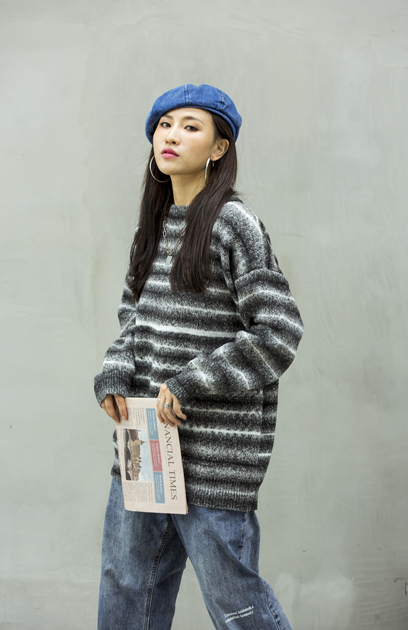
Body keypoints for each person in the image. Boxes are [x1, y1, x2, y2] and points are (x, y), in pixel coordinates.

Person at [94, 83, 304, 630]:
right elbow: (134, 319)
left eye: (191, 126)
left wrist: (191, 382)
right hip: (144, 444)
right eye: (164, 125)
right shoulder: (151, 227)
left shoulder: (234, 223)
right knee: (125, 593)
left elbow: (278, 331)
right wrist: (115, 369)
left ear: (218, 147)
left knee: (237, 605)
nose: (172, 135)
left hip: (214, 454)